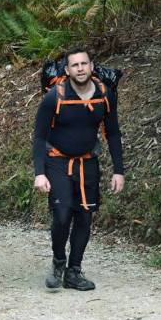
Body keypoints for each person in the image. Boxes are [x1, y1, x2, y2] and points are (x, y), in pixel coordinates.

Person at [32, 47, 125, 291]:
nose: (80, 68)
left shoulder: (105, 95)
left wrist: (119, 170)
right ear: (67, 70)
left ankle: (74, 271)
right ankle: (58, 262)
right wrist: (39, 173)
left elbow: (112, 133)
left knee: (85, 216)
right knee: (62, 216)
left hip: (88, 162)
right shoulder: (55, 96)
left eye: (84, 64)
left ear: (92, 67)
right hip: (57, 161)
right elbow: (39, 136)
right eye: (75, 65)